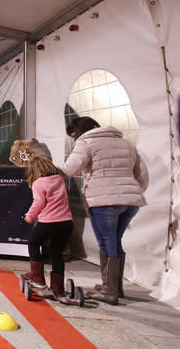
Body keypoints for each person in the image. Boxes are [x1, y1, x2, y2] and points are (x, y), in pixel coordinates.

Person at [62, 116, 149, 304]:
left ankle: (109, 292)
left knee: (106, 241)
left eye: (74, 134)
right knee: (115, 240)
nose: (74, 138)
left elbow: (70, 169)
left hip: (103, 201)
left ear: (79, 131)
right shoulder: (126, 143)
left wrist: (49, 170)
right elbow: (142, 174)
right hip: (130, 201)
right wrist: (131, 192)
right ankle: (115, 287)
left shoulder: (85, 142)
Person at [22, 156, 75, 303]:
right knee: (57, 251)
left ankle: (38, 278)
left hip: (49, 222)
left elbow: (39, 203)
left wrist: (29, 217)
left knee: (33, 243)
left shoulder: (38, 183)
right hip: (66, 222)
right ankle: (58, 290)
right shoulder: (59, 179)